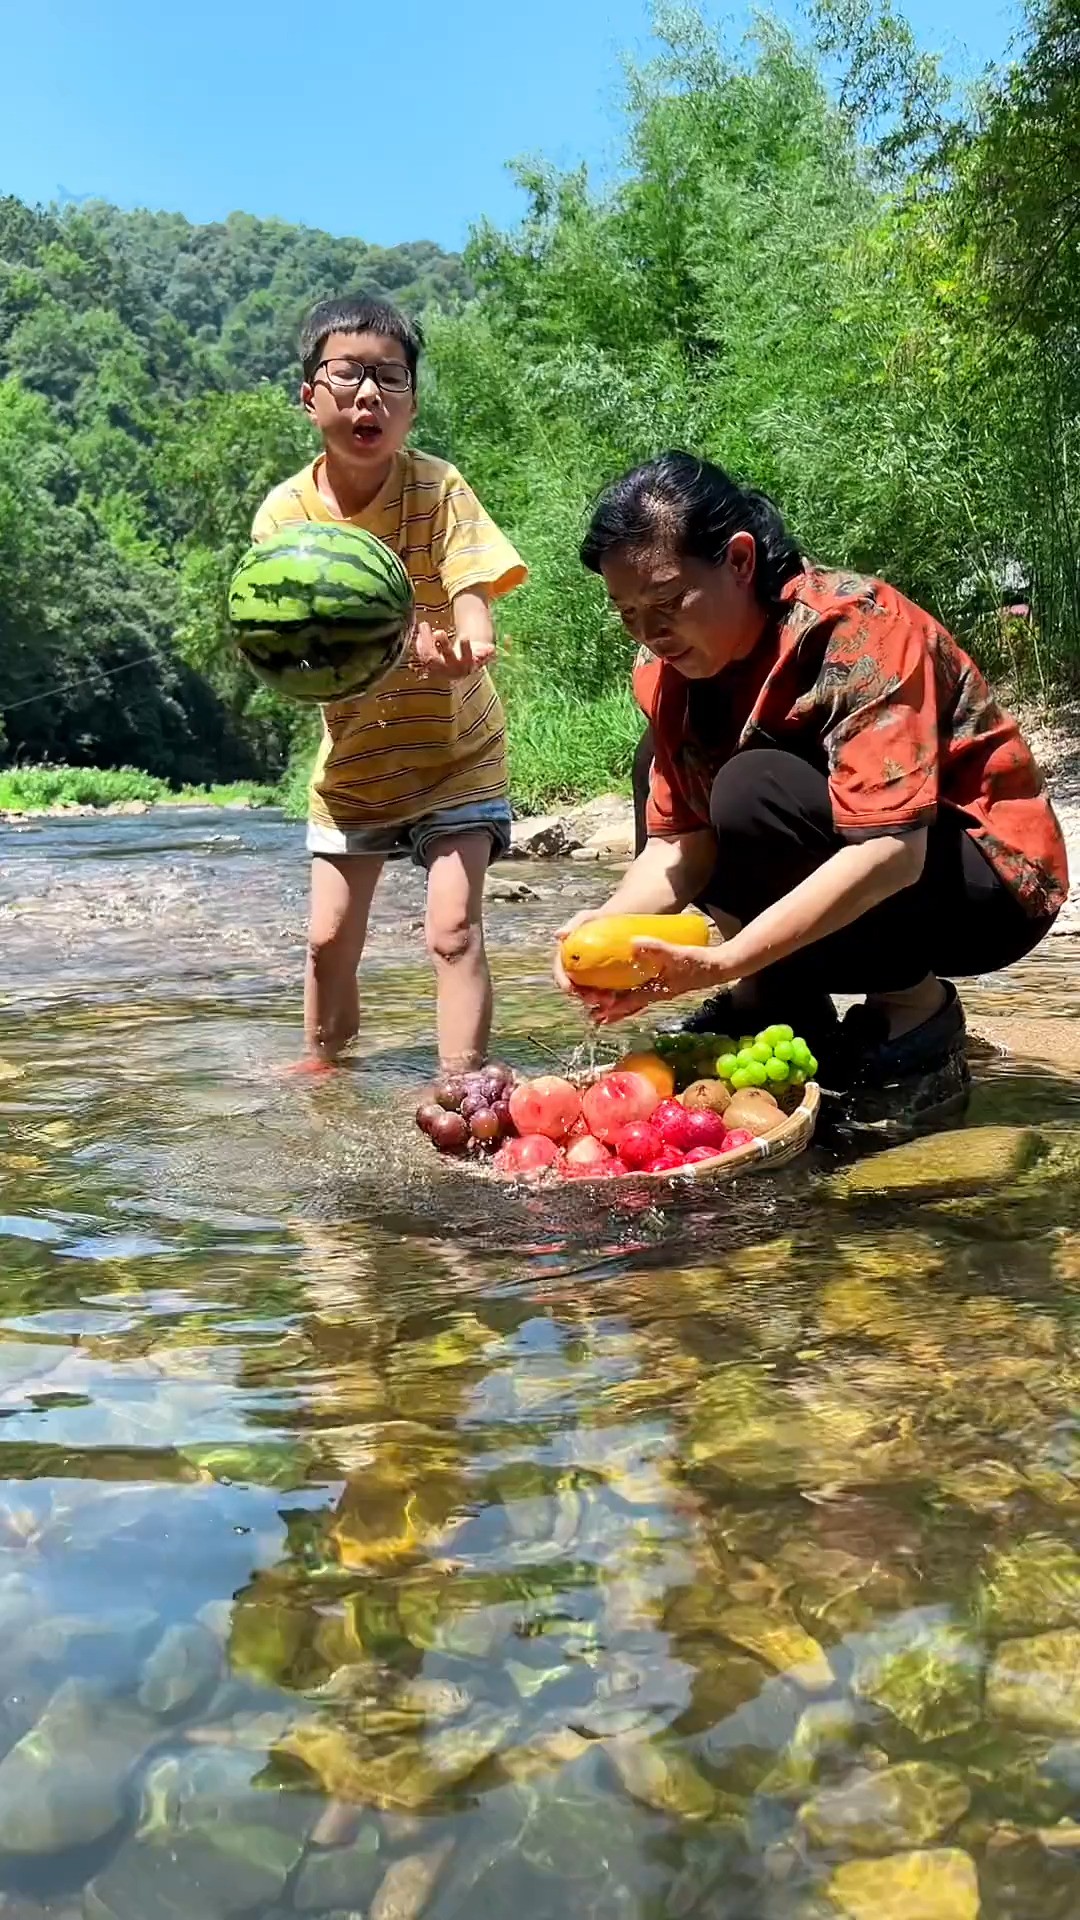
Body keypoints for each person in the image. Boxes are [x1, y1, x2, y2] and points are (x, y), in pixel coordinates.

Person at [555, 452, 1068, 1134]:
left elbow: (892, 850)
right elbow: (681, 844)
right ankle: (779, 998)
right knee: (661, 756)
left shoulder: (855, 629)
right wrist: (608, 928)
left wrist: (727, 959)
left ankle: (912, 1007)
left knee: (750, 783)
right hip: (873, 860)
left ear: (739, 562)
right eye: (628, 614)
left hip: (986, 883)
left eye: (669, 602)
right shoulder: (667, 676)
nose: (650, 634)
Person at [253, 295, 526, 1071]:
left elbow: (471, 584)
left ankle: (465, 1087)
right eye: (347, 376)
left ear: (410, 403)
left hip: (455, 753)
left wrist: (470, 644)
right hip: (358, 767)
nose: (368, 395)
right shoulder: (286, 515)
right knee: (327, 941)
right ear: (310, 397)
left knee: (453, 931)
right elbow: (290, 642)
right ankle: (323, 1073)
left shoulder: (438, 487)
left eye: (390, 379)